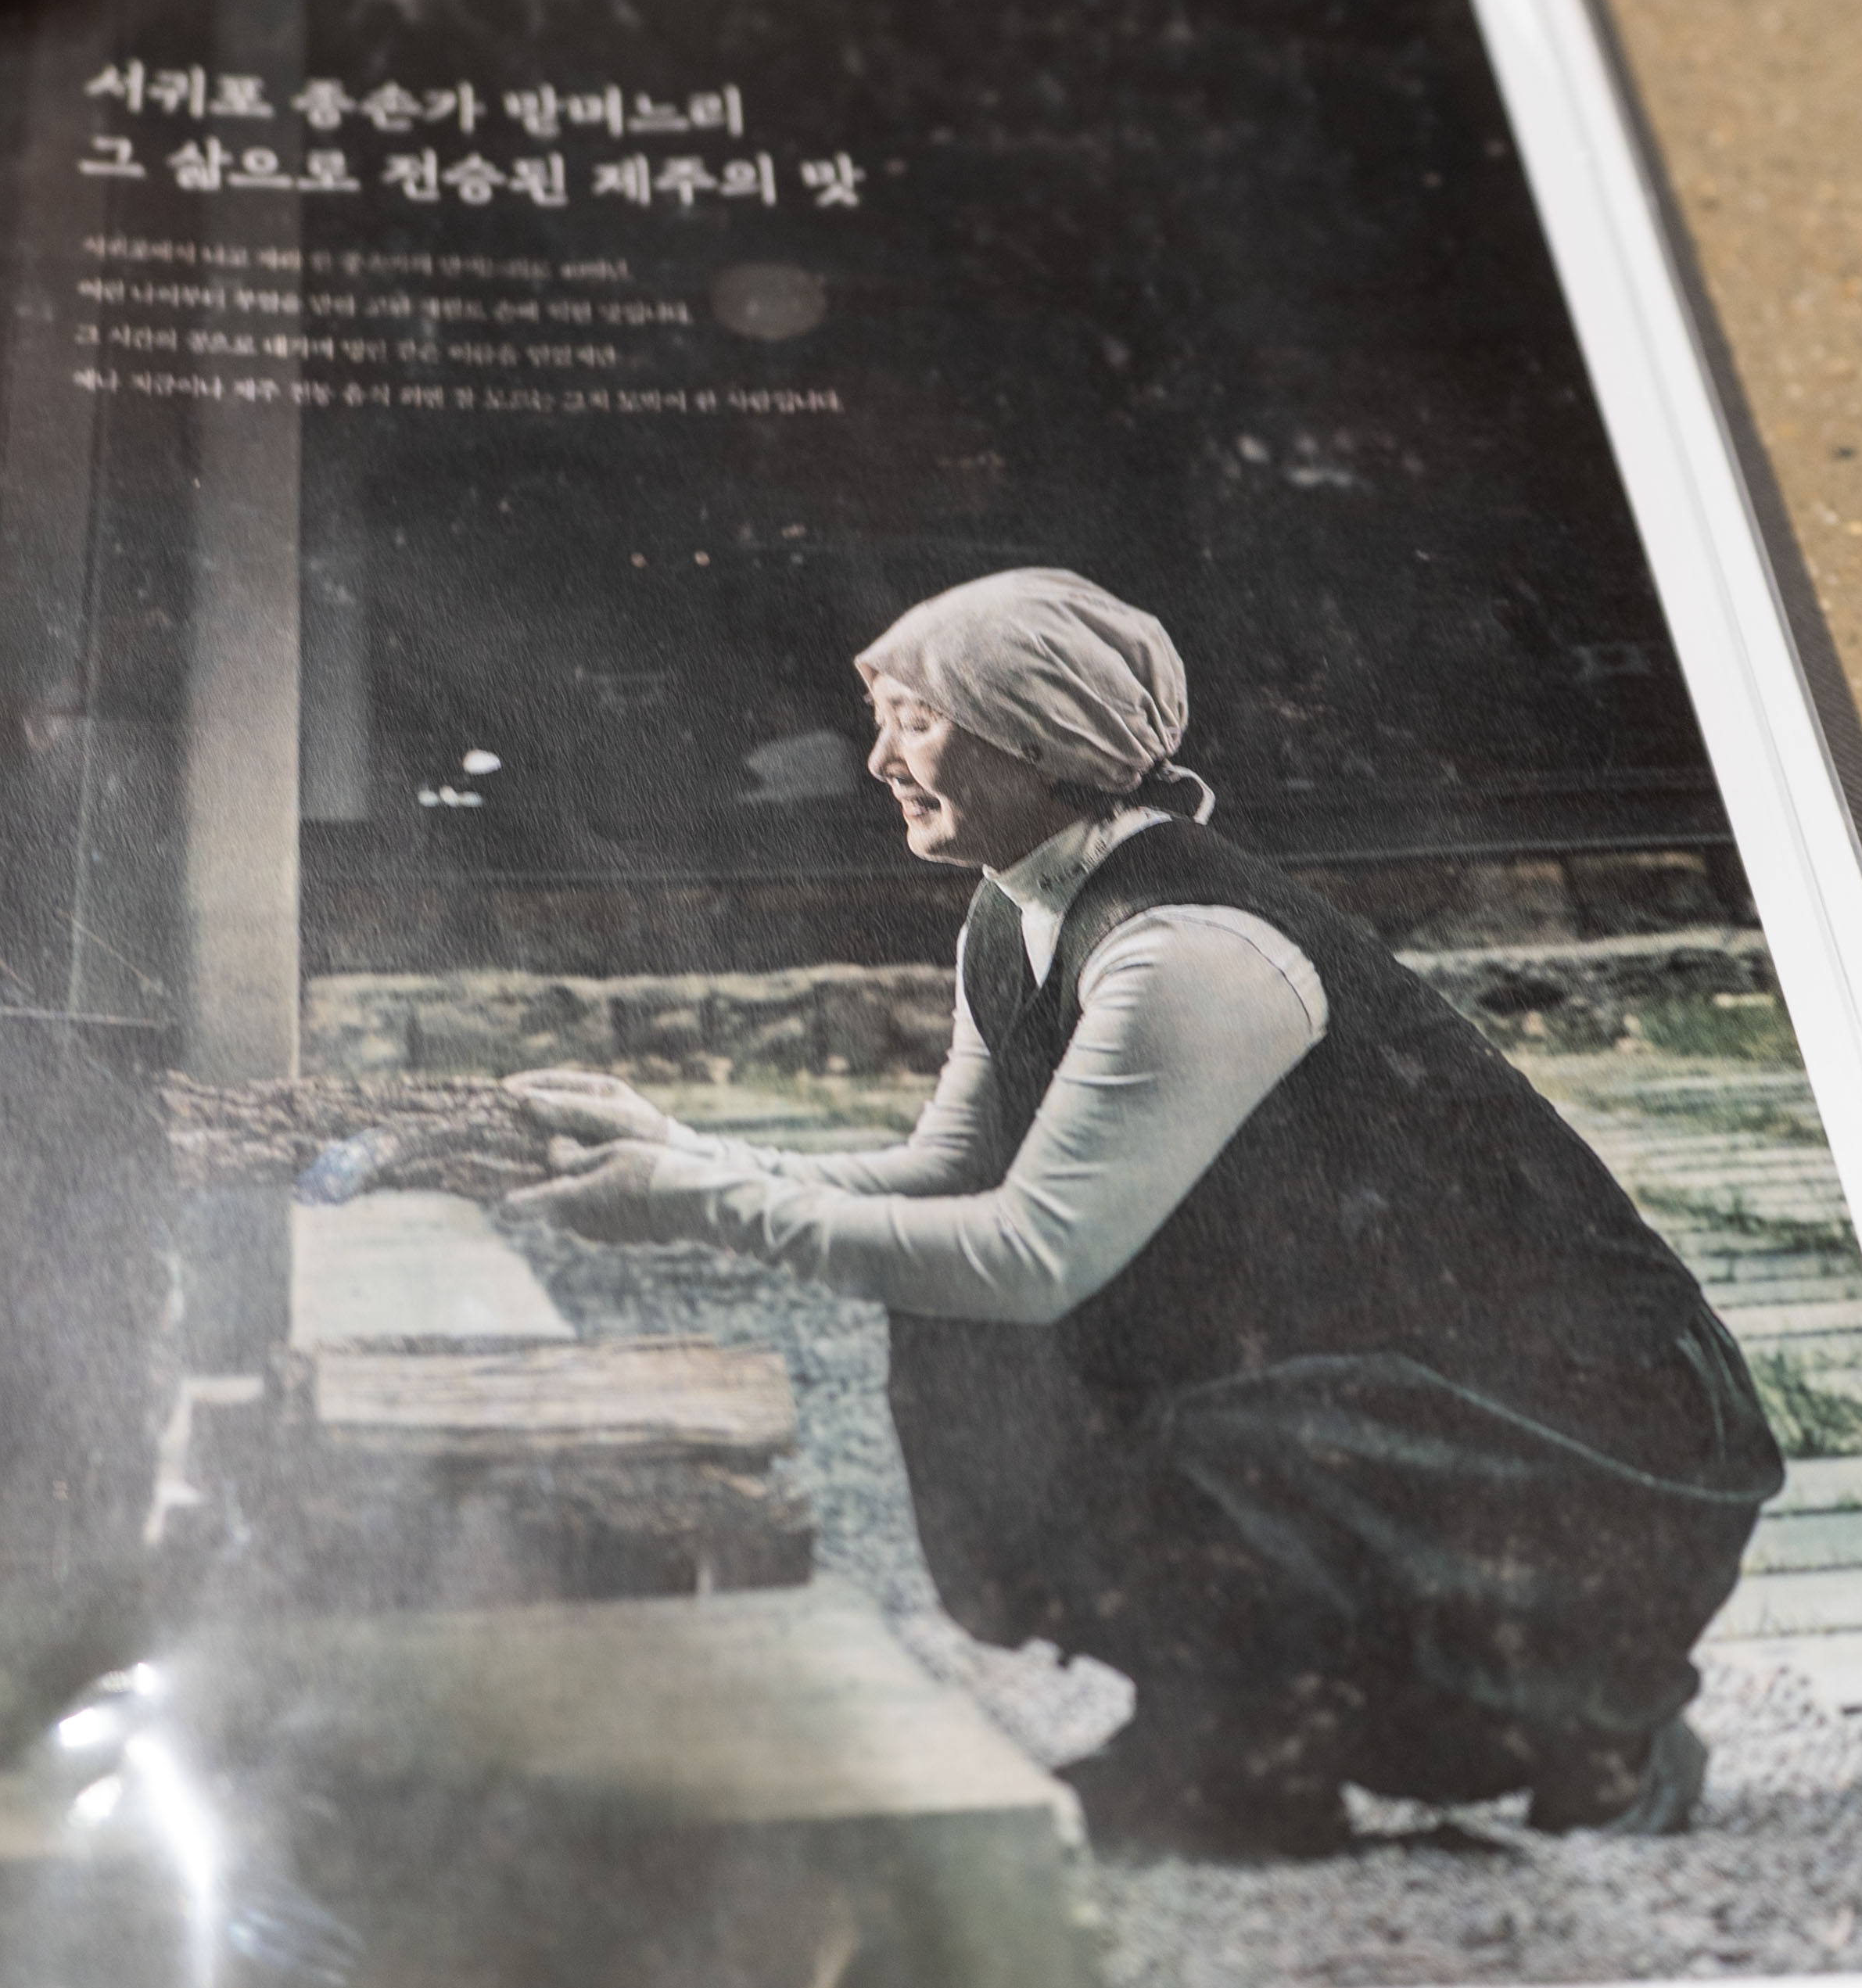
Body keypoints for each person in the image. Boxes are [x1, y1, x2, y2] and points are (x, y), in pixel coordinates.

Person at [508, 566, 1785, 1857]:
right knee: (961, 1324)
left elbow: (1033, 1255)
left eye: (917, 722)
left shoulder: (1187, 948)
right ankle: (1235, 1738)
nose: (881, 761)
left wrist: (694, 1205)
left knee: (1115, 1383)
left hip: (1591, 1417)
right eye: (882, 719)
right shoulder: (1013, 912)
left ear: (1042, 742)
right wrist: (676, 1150)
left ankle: (1590, 1714)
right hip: (1389, 1360)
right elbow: (946, 1178)